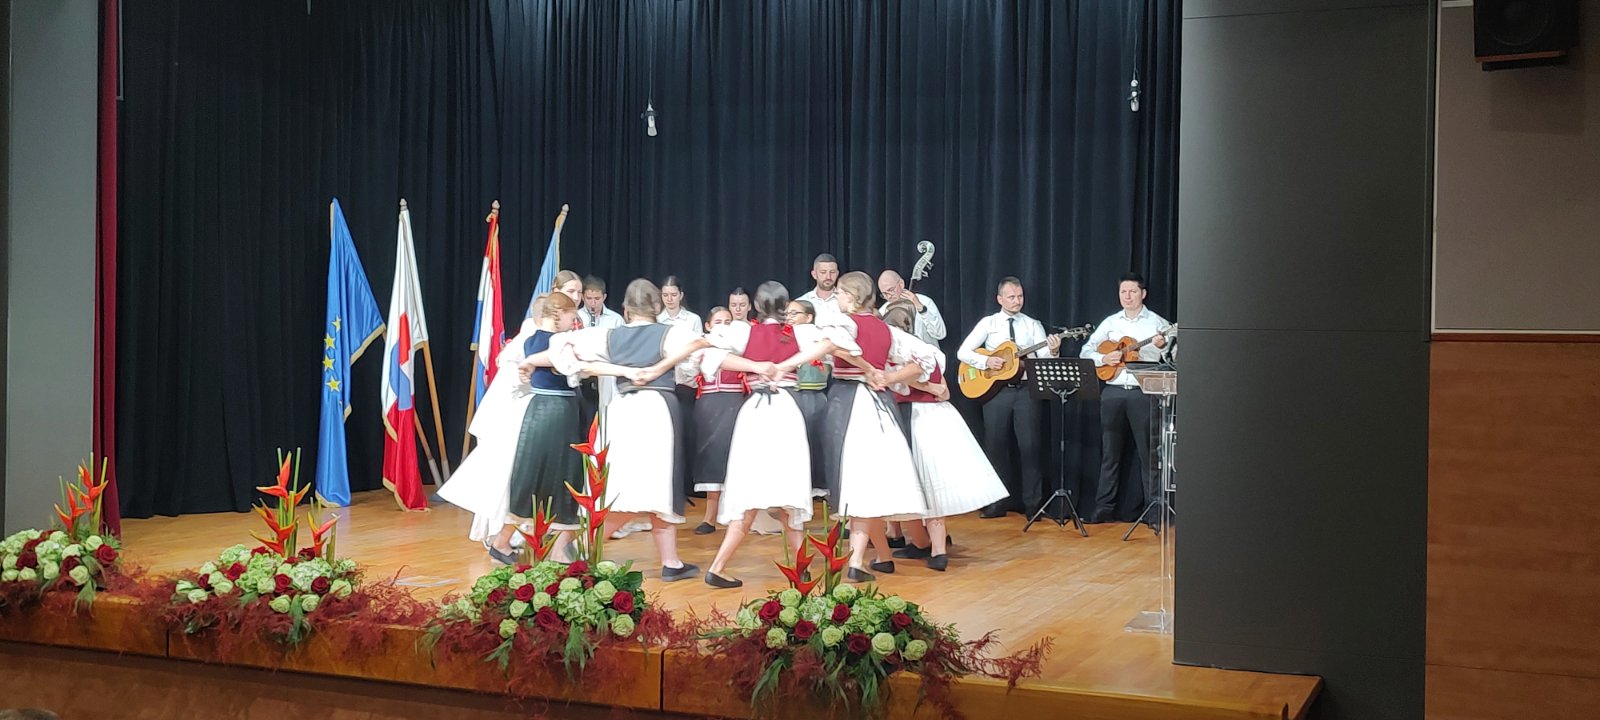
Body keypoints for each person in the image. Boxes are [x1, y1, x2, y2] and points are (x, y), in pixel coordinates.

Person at [550, 279, 710, 581]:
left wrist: (621, 371)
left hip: (621, 411)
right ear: (657, 306)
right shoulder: (672, 333)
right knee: (656, 483)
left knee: (628, 482)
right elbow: (702, 352)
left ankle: (671, 561)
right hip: (657, 410)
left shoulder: (608, 336)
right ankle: (582, 548)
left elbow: (565, 352)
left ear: (625, 309)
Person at [701, 282, 849, 588]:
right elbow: (833, 342)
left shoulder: (743, 331)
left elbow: (710, 357)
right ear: (785, 306)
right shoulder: (800, 332)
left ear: (756, 305)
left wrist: (756, 366)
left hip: (754, 412)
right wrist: (785, 365)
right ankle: (801, 568)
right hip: (785, 411)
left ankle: (720, 566)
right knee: (788, 488)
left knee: (749, 487)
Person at [803, 271, 936, 582]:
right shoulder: (885, 328)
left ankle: (857, 560)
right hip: (880, 405)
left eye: (840, 293)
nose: (837, 298)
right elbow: (927, 358)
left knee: (859, 481)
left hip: (850, 402)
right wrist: (888, 377)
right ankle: (883, 556)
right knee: (871, 481)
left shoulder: (846, 323)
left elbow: (832, 345)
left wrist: (872, 371)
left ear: (850, 297)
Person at [441, 293, 583, 564]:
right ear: (559, 314)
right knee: (557, 477)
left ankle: (521, 543)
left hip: (544, 411)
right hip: (554, 412)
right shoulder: (556, 342)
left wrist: (529, 363)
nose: (573, 321)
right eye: (571, 315)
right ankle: (526, 545)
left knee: (537, 478)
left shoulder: (533, 340)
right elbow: (566, 361)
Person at [881, 302, 1008, 571]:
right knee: (925, 484)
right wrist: (930, 387)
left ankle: (929, 546)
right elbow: (944, 392)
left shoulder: (904, 357)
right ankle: (929, 546)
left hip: (916, 418)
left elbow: (920, 384)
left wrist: (901, 380)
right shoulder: (929, 352)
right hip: (933, 416)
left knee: (918, 483)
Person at [955, 276, 1061, 519]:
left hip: (1025, 392)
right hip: (997, 393)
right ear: (1000, 299)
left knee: (1030, 447)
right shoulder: (989, 323)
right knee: (996, 447)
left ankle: (1034, 505)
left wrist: (1053, 350)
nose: (1017, 301)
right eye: (1011, 297)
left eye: (1020, 296)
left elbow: (1044, 359)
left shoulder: (1032, 324)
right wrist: (986, 361)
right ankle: (997, 503)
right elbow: (963, 352)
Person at [1080, 272, 1171, 525]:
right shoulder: (1110, 323)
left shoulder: (1157, 323)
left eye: (1132, 291)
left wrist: (1162, 346)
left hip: (1144, 392)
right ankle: (1104, 508)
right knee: (1110, 453)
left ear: (1143, 294)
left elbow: (1173, 356)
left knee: (1149, 455)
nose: (1127, 296)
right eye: (1123, 292)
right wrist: (1103, 358)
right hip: (1113, 391)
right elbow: (1086, 350)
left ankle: (1154, 511)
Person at [690, 304, 749, 535]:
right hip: (708, 404)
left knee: (735, 456)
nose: (724, 327)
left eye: (728, 322)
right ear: (707, 325)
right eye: (718, 322)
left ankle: (739, 516)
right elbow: (687, 374)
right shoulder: (700, 345)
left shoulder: (741, 345)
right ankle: (710, 517)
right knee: (711, 457)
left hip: (736, 402)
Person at [784, 300, 832, 499]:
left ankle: (818, 487)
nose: (790, 317)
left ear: (809, 317)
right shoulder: (785, 335)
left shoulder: (814, 334)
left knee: (814, 440)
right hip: (790, 394)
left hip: (811, 393)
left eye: (795, 313)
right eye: (787, 313)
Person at [876, 270, 947, 347]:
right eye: (884, 294)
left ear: (901, 284)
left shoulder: (924, 302)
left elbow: (940, 334)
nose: (889, 296)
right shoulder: (883, 311)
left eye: (891, 290)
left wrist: (922, 309)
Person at [795, 253, 844, 324]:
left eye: (832, 272)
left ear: (837, 274)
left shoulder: (846, 301)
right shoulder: (801, 303)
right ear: (814, 274)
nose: (828, 277)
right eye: (823, 272)